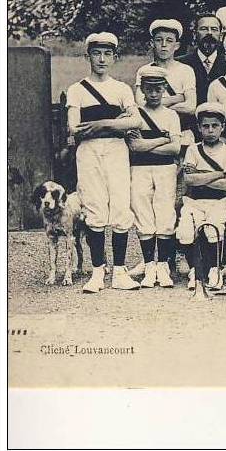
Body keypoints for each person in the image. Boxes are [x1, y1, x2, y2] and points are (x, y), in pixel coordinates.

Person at [65, 32, 143, 293]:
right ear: (88, 56)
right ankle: (98, 271)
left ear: (115, 57)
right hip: (88, 153)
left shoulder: (121, 89)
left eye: (107, 53)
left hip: (117, 152)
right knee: (95, 208)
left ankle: (119, 271)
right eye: (96, 53)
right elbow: (75, 127)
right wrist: (116, 122)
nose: (102, 59)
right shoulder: (77, 90)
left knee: (120, 206)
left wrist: (102, 123)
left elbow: (135, 122)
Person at [127, 65, 181, 288]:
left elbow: (175, 149)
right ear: (143, 90)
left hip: (166, 170)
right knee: (143, 214)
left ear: (164, 89)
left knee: (165, 214)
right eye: (149, 89)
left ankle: (164, 267)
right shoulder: (134, 114)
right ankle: (150, 265)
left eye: (158, 89)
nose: (154, 93)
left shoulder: (171, 115)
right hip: (139, 170)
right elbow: (134, 147)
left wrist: (146, 145)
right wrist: (162, 140)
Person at [176, 103, 226, 291]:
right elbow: (190, 180)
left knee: (215, 228)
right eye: (205, 126)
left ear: (222, 127)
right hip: (195, 200)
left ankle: (214, 268)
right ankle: (195, 269)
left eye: (215, 126)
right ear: (199, 127)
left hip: (220, 201)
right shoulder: (193, 150)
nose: (210, 130)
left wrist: (201, 174)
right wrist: (218, 173)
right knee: (186, 228)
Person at [134, 20, 196, 143]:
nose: (163, 45)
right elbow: (141, 104)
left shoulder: (185, 70)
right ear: (152, 43)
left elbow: (190, 107)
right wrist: (178, 98)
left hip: (182, 131)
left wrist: (154, 104)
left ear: (177, 45)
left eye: (169, 40)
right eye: (159, 40)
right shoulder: (144, 70)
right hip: (151, 130)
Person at [177, 13, 226, 128]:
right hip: (187, 127)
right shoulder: (180, 64)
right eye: (204, 29)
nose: (209, 33)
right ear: (195, 34)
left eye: (214, 29)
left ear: (221, 35)